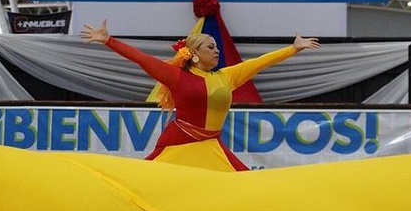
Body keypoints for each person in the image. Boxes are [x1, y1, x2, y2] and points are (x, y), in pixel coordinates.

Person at [81, 20, 320, 171]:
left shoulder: (227, 76)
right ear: (194, 53)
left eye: (217, 47)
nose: (217, 51)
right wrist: (108, 41)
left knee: (243, 187)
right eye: (210, 48)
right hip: (178, 144)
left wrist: (293, 49)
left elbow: (260, 63)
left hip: (211, 146)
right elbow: (142, 59)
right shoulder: (176, 76)